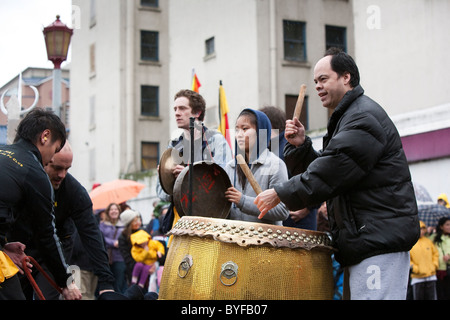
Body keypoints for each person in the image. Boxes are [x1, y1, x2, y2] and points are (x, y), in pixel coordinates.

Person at [254, 48, 420, 299]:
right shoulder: (349, 116)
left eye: (323, 79)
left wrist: (280, 192)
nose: (318, 87)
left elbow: (331, 173)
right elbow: (336, 169)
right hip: (366, 242)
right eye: (315, 82)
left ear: (346, 77)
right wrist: (302, 147)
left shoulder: (363, 117)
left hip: (378, 243)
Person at [0, 108, 81, 300]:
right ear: (45, 136)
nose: (52, 158)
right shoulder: (34, 173)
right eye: (55, 149)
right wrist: (65, 282)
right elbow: (46, 235)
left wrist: (3, 246)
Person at [41, 142, 114, 299]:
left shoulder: (75, 192)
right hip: (23, 244)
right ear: (44, 160)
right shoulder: (26, 179)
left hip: (58, 247)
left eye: (67, 169)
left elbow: (92, 234)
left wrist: (106, 283)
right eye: (57, 168)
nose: (62, 175)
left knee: (47, 295)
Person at [157, 89, 232, 235]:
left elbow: (225, 183)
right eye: (175, 109)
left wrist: (187, 174)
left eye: (182, 108)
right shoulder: (173, 146)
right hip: (180, 222)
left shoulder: (215, 140)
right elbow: (162, 195)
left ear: (197, 113)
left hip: (211, 222)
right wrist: (165, 177)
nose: (177, 113)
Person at [224, 108, 289, 225]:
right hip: (233, 240)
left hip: (265, 240)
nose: (239, 134)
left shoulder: (276, 165)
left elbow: (282, 211)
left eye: (245, 129)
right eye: (237, 129)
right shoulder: (230, 166)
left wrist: (242, 201)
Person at [99, 203, 127, 293]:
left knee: (119, 282)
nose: (114, 211)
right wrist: (112, 242)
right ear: (108, 212)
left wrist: (120, 242)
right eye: (111, 209)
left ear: (119, 211)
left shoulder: (124, 225)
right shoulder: (102, 225)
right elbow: (100, 237)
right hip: (106, 257)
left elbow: (127, 238)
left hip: (120, 257)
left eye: (116, 209)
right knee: (108, 282)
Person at [409, 221, 439, 300]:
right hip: (417, 277)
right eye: (419, 229)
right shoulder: (411, 243)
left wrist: (434, 265)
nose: (421, 231)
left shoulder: (428, 241)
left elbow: (435, 254)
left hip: (431, 276)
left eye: (423, 229)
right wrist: (415, 268)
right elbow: (408, 259)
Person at [118, 209, 142, 286]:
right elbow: (127, 258)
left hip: (146, 267)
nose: (138, 222)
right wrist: (139, 266)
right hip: (133, 270)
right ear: (129, 223)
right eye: (135, 221)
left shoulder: (142, 232)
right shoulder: (123, 237)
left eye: (138, 220)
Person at [431, 217, 450, 299]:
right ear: (441, 226)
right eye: (447, 225)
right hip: (439, 270)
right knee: (440, 294)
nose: (449, 227)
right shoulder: (434, 238)